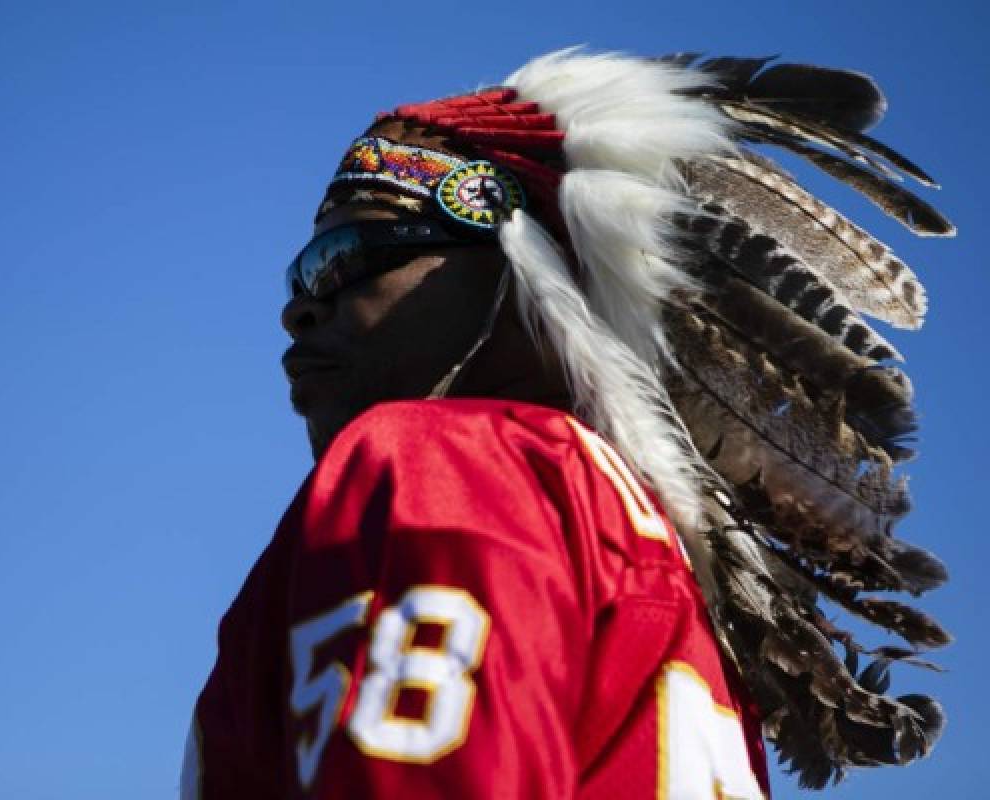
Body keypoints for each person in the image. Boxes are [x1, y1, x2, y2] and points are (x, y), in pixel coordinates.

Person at [182, 49, 952, 798]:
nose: (300, 305)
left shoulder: (448, 466)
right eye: (301, 275)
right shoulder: (669, 601)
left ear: (519, 263)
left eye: (345, 254)